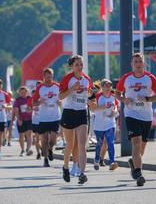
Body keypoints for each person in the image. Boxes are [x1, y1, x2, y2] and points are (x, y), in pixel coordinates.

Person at [116, 53, 156, 186]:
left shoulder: (150, 78)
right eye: (135, 61)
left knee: (141, 148)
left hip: (146, 116)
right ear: (132, 64)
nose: (138, 63)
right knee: (136, 143)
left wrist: (148, 99)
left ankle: (133, 163)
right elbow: (117, 93)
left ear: (144, 63)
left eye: (140, 61)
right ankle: (138, 173)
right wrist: (124, 99)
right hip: (131, 114)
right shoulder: (126, 78)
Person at [59, 55, 93, 184]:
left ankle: (82, 173)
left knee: (82, 145)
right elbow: (61, 96)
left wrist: (90, 97)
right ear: (72, 66)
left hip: (82, 113)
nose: (79, 67)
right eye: (77, 65)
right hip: (69, 113)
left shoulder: (87, 79)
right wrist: (72, 89)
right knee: (70, 145)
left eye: (81, 64)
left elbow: (89, 95)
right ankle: (66, 167)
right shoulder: (67, 79)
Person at [32, 68, 61, 167]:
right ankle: (45, 159)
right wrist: (39, 102)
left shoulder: (57, 86)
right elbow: (34, 102)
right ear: (44, 77)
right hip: (43, 117)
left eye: (51, 76)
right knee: (44, 139)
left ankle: (50, 149)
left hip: (55, 117)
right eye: (47, 76)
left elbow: (63, 98)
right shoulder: (40, 88)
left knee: (53, 139)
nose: (49, 78)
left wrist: (60, 102)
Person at [91, 79, 119, 171]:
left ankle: (112, 162)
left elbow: (115, 108)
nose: (108, 88)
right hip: (99, 125)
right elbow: (92, 108)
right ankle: (96, 160)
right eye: (106, 86)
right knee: (99, 144)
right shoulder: (98, 96)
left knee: (110, 142)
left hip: (110, 123)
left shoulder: (113, 96)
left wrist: (114, 112)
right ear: (102, 88)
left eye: (109, 86)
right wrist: (101, 107)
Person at [14, 86, 33, 156]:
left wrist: (30, 109)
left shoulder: (30, 99)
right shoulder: (18, 100)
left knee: (29, 134)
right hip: (21, 119)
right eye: (21, 93)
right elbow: (16, 111)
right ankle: (22, 149)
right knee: (21, 135)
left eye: (24, 92)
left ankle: (28, 149)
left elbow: (33, 107)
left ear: (27, 92)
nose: (23, 94)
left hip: (29, 119)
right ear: (19, 93)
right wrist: (19, 119)